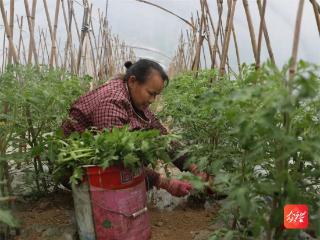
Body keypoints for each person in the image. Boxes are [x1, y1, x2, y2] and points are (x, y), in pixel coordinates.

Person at [62, 58, 208, 197]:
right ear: (132, 81)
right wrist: (164, 182)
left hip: (102, 163)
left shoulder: (134, 98)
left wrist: (195, 168)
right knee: (126, 163)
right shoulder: (112, 102)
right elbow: (117, 159)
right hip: (78, 170)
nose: (152, 100)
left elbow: (161, 136)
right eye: (151, 93)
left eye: (156, 95)